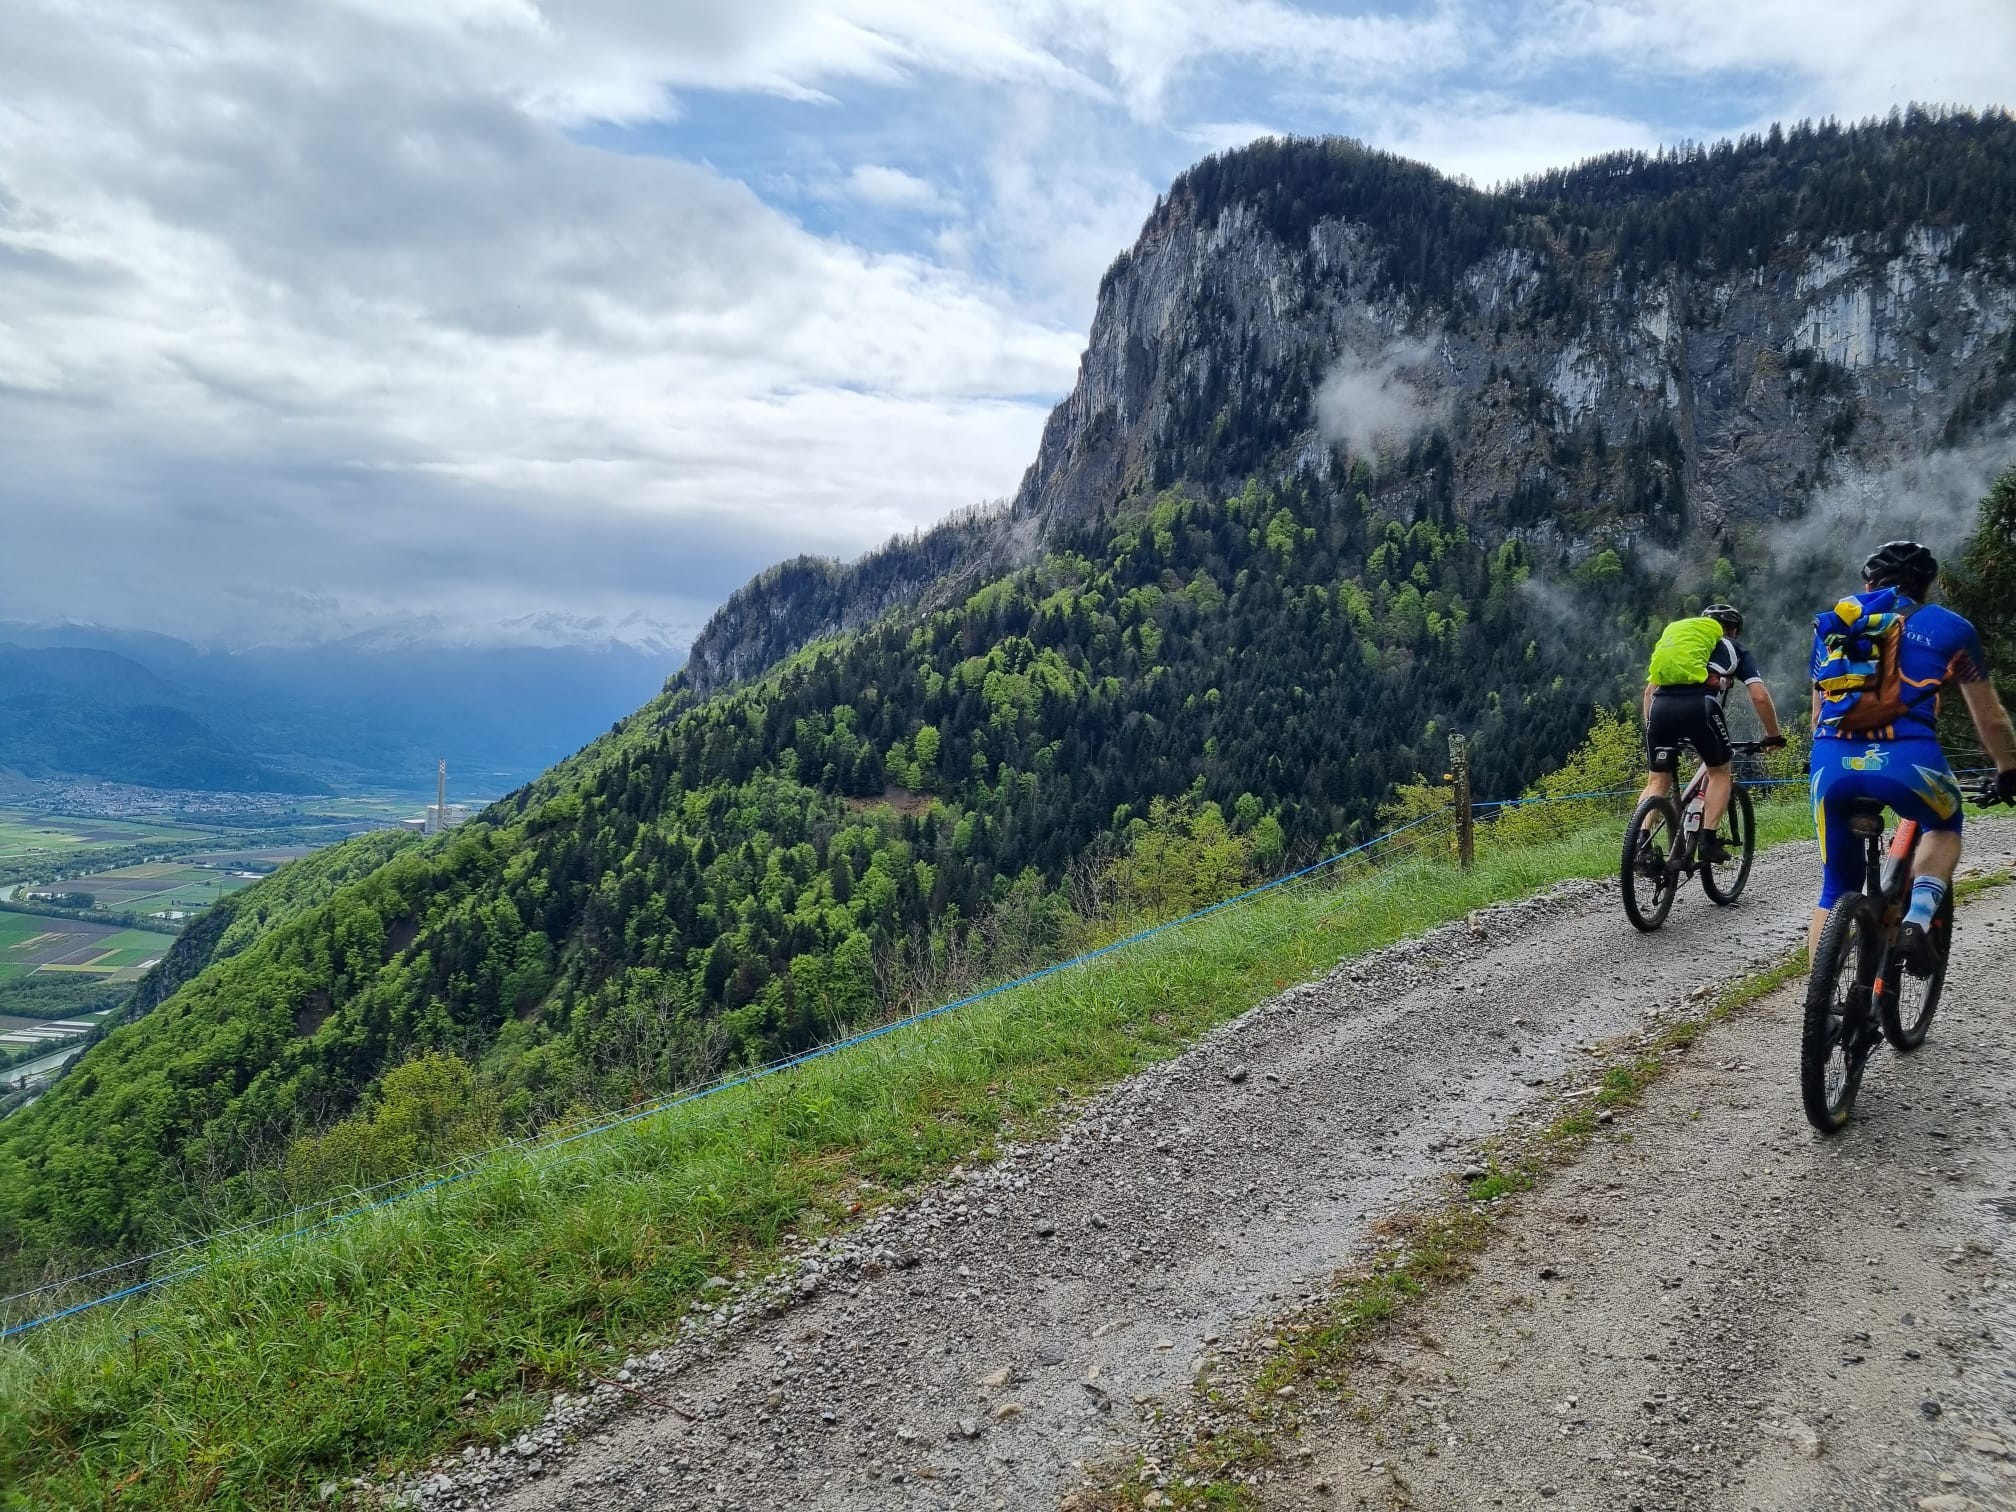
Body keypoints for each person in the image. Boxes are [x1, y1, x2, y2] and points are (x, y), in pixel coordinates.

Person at [1808, 541, 2016, 967]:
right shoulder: (1952, 627)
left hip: (1831, 763)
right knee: (1945, 821)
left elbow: (1818, 714)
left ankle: (1821, 1017)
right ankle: (1918, 919)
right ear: (1926, 587)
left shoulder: (1836, 624)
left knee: (1834, 889)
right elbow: (1990, 717)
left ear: (1869, 583)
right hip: (1909, 763)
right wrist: (2008, 768)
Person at [1638, 603, 1786, 864]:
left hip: (1660, 708)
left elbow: (1649, 692)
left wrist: (1653, 730)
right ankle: (1708, 840)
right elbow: (1759, 696)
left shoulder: (1684, 650)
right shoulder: (1733, 647)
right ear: (1733, 630)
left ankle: (1640, 844)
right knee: (1720, 772)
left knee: (1657, 782)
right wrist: (1773, 735)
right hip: (1700, 708)